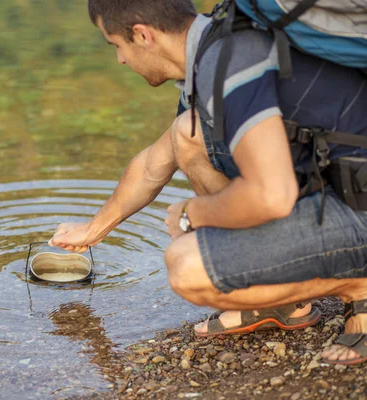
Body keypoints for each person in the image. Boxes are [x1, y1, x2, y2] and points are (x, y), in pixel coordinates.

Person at [48, 0, 367, 365]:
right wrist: (93, 229)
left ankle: (359, 285)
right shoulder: (216, 46)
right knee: (187, 133)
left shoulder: (230, 61)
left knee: (188, 268)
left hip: (357, 204)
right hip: (342, 187)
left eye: (116, 46)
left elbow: (273, 196)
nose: (120, 60)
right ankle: (280, 303)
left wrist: (191, 214)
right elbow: (155, 163)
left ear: (141, 35)